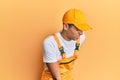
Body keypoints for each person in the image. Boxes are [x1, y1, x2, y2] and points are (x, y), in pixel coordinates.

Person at [41, 8, 92, 80]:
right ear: (66, 26)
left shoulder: (81, 38)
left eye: (82, 29)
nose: (81, 33)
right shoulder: (50, 43)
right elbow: (57, 77)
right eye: (77, 29)